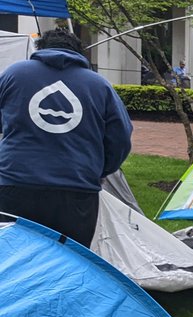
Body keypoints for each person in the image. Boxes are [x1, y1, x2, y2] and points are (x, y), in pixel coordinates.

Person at [0, 27, 132, 246]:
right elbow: (120, 139)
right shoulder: (99, 85)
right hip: (77, 191)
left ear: (39, 48)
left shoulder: (14, 74)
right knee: (69, 263)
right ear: (79, 52)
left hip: (16, 185)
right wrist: (100, 169)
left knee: (14, 261)